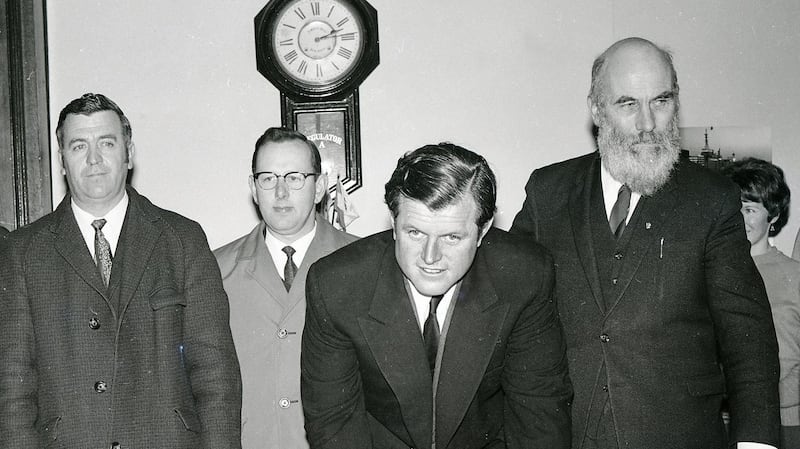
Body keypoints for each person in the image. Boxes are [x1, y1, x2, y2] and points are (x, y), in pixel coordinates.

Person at [510, 37, 780, 449]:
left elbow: (748, 333)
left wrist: (756, 443)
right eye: (628, 104)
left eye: (661, 101)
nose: (648, 123)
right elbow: (509, 304)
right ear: (597, 109)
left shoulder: (710, 199)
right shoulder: (549, 191)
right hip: (568, 434)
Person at [0, 93, 242, 448]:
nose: (94, 159)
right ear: (63, 161)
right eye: (79, 146)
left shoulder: (182, 240)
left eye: (106, 143)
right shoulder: (24, 252)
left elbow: (216, 377)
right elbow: (12, 388)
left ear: (128, 153)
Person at [301, 143, 572, 449]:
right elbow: (334, 426)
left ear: (484, 230)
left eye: (452, 237)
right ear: (393, 222)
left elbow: (540, 417)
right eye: (414, 233)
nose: (430, 257)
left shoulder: (525, 276)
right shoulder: (336, 284)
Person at [214, 127, 357, 448]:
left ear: (319, 187)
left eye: (294, 178)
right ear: (253, 187)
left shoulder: (363, 263)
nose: (280, 192)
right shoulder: (215, 270)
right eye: (268, 178)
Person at [723, 158, 800, 448]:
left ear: (774, 216)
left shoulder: (795, 276)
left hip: (786, 425)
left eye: (750, 209)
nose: (739, 217)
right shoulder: (711, 274)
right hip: (726, 422)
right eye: (734, 208)